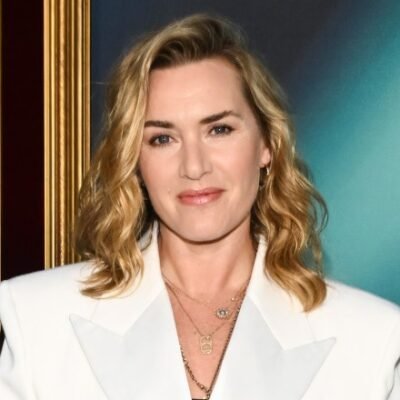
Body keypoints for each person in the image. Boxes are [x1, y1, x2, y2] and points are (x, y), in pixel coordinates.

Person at [0, 14, 399, 400]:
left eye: (219, 129)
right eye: (162, 138)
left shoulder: (373, 340)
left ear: (267, 145)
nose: (194, 166)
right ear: (134, 161)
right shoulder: (35, 319)